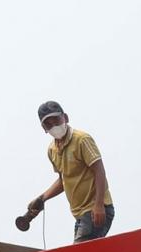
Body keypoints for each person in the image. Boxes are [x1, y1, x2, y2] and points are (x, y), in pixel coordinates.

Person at [17, 100, 114, 243]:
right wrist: (41, 199)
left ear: (65, 118)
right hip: (80, 215)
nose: (54, 126)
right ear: (44, 128)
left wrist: (99, 205)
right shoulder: (52, 150)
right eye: (48, 124)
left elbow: (99, 170)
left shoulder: (81, 140)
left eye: (56, 120)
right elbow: (63, 181)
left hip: (95, 209)